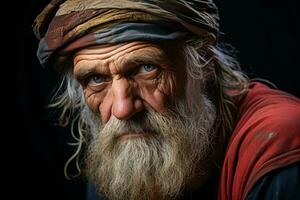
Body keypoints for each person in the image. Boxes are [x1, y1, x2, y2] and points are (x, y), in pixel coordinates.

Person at [33, 0, 300, 200]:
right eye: (95, 79)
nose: (123, 109)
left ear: (203, 62)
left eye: (146, 68)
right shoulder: (123, 156)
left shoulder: (280, 146)